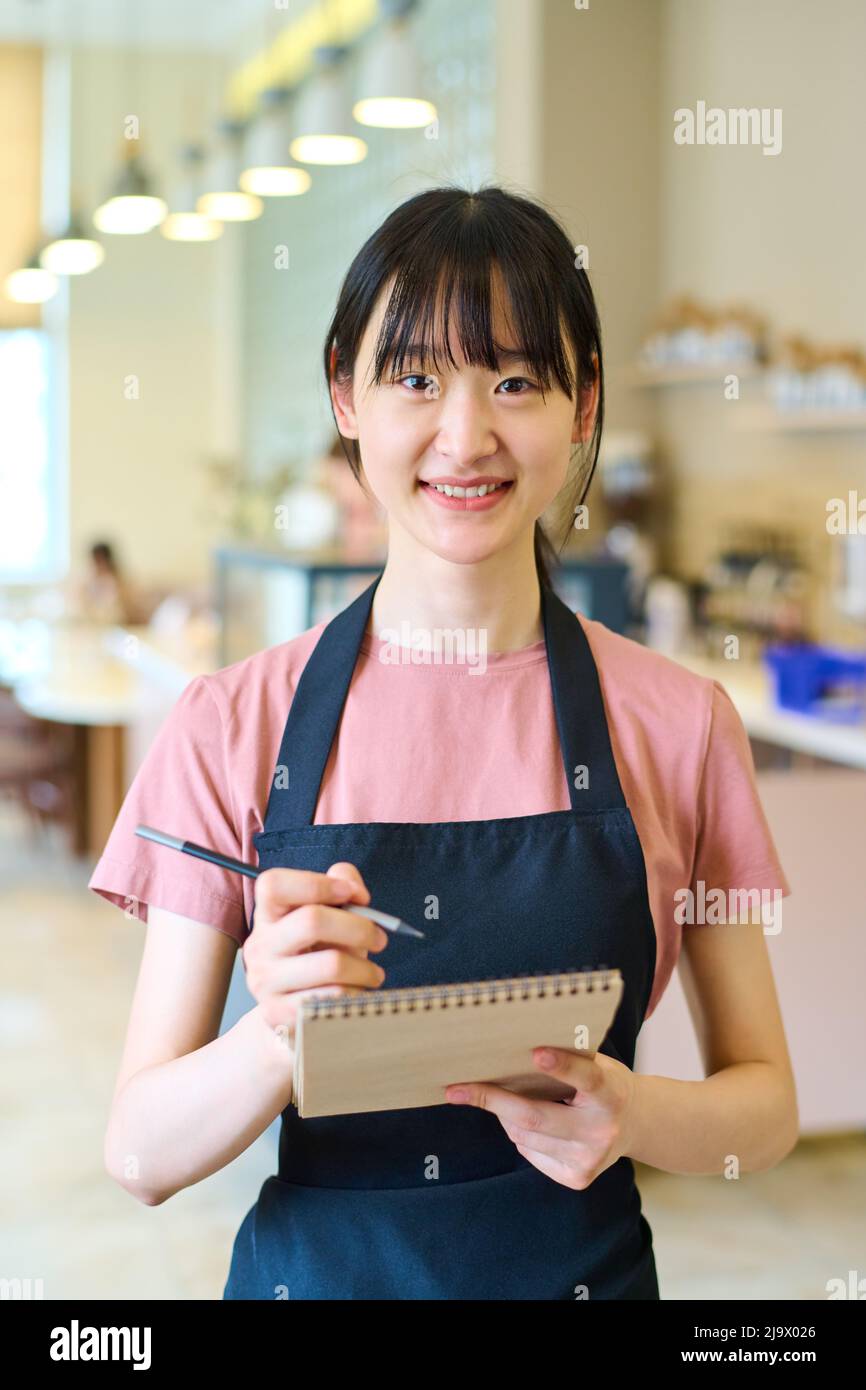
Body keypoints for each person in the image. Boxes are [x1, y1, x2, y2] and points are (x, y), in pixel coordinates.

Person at [89, 185, 797, 1301]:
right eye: (415, 378)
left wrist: (634, 1113)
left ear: (580, 408)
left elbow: (761, 1109)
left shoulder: (678, 723)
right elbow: (138, 1153)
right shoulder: (233, 722)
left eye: (514, 380)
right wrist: (276, 1035)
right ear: (345, 395)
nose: (464, 436)